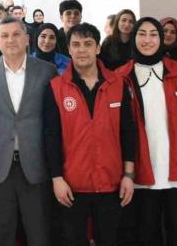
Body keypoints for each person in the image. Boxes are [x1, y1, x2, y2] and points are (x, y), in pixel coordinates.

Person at [114, 18, 177, 246]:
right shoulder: (121, 76)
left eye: (153, 34)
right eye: (142, 34)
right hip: (141, 175)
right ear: (134, 38)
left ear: (161, 38)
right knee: (147, 236)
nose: (147, 40)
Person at [43, 22, 137, 246]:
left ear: (97, 48)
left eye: (88, 44)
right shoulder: (56, 87)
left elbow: (128, 132)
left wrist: (129, 175)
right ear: (69, 49)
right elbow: (51, 137)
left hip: (111, 182)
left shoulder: (118, 84)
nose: (82, 50)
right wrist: (57, 178)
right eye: (76, 45)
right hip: (71, 184)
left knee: (109, 240)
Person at [0, 16, 57, 246]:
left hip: (37, 165)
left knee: (39, 234)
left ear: (27, 39)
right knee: (2, 234)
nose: (11, 40)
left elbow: (54, 124)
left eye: (16, 34)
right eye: (4, 36)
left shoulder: (47, 71)